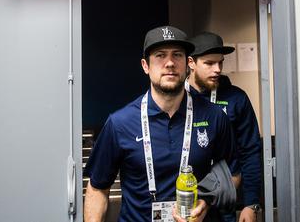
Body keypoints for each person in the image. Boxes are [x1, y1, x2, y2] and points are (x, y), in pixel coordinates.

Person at [84, 25, 238, 222]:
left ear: (187, 63)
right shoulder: (119, 123)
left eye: (177, 55)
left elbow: (232, 174)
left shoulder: (214, 117)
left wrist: (206, 202)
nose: (170, 63)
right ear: (145, 65)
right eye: (160, 55)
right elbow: (97, 189)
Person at [186, 32, 263, 222]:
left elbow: (250, 152)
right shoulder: (176, 99)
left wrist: (251, 203)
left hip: (223, 203)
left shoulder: (236, 99)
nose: (217, 69)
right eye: (209, 63)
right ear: (191, 63)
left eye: (220, 62)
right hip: (183, 199)